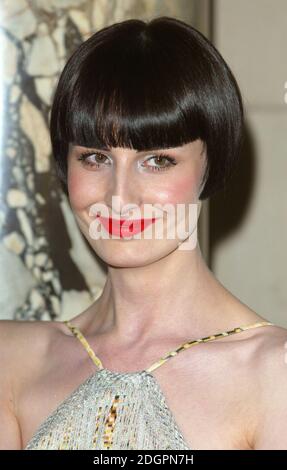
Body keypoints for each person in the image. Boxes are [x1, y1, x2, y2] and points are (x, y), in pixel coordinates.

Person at [1, 16, 287, 451]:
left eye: (157, 160)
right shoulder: (12, 359)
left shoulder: (272, 374)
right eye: (95, 157)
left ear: (211, 165)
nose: (119, 196)